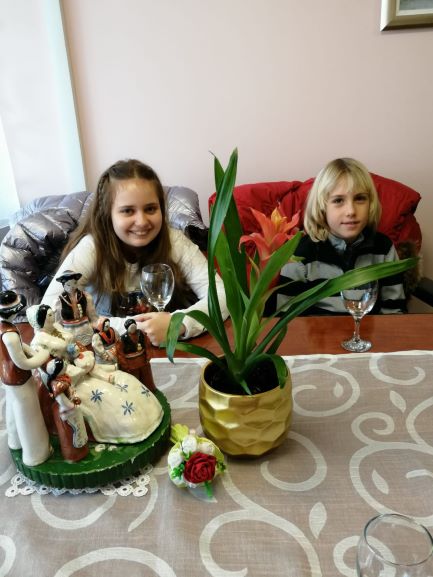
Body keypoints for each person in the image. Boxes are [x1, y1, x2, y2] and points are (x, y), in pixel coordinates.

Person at [42, 159, 228, 346]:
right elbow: (49, 312)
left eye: (150, 209)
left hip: (166, 350)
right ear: (107, 214)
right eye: (128, 211)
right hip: (106, 352)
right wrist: (136, 328)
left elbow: (222, 295)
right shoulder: (92, 247)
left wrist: (177, 324)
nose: (142, 221)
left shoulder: (174, 241)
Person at [275, 158, 406, 315]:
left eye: (360, 198)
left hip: (371, 330)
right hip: (318, 331)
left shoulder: (383, 248)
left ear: (371, 203)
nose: (351, 211)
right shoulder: (299, 254)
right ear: (322, 207)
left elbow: (394, 311)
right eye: (338, 200)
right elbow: (287, 318)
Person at [0, 291, 52, 466]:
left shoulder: (5, 327)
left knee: (13, 408)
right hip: (18, 377)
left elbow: (20, 347)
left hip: (7, 376)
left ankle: (14, 441)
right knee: (28, 414)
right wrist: (43, 355)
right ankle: (36, 453)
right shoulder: (10, 335)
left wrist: (31, 350)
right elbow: (23, 363)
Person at [44, 357, 89, 463]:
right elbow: (62, 400)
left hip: (71, 406)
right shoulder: (58, 385)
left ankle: (82, 450)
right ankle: (74, 454)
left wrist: (74, 398)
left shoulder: (63, 379)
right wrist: (71, 406)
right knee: (71, 432)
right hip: (66, 411)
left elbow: (70, 390)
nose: (65, 365)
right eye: (63, 365)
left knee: (79, 429)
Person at [55, 270, 98, 347]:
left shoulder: (85, 296)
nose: (72, 287)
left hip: (85, 328)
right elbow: (58, 320)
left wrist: (95, 323)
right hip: (69, 330)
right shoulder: (59, 300)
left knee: (89, 345)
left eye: (74, 283)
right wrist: (59, 332)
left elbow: (91, 312)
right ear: (63, 285)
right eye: (68, 285)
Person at [116, 318, 155, 392]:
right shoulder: (122, 339)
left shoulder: (141, 333)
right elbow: (120, 353)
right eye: (131, 327)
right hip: (131, 363)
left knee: (146, 377)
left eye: (134, 326)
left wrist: (148, 355)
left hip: (143, 360)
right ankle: (135, 391)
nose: (133, 329)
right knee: (134, 379)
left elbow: (147, 345)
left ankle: (150, 390)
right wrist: (124, 365)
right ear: (127, 328)